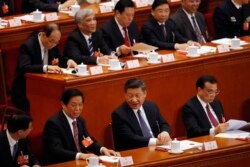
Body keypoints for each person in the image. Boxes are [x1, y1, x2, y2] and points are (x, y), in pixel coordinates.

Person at [43, 88, 120, 165]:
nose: (77, 109)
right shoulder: (54, 123)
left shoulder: (80, 121)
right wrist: (80, 155)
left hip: (81, 163)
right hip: (64, 163)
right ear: (63, 104)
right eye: (73, 105)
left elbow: (86, 142)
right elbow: (56, 150)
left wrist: (102, 149)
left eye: (80, 105)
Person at [11, 23, 77, 113]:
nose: (53, 45)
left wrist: (68, 61)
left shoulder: (53, 44)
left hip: (46, 86)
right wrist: (46, 68)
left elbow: (59, 57)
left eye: (56, 42)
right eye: (51, 41)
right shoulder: (28, 46)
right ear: (43, 35)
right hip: (25, 89)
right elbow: (24, 68)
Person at [112, 78, 171, 151]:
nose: (134, 100)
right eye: (130, 96)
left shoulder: (151, 106)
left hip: (158, 148)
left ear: (144, 94)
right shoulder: (119, 114)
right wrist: (156, 141)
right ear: (125, 95)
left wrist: (164, 133)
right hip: (136, 151)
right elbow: (130, 138)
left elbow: (164, 124)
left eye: (137, 95)